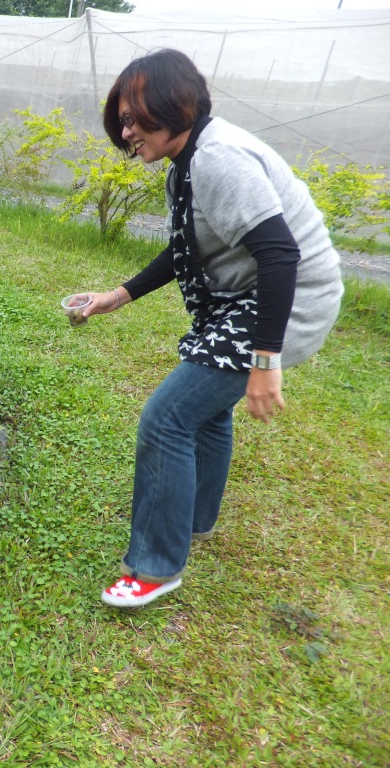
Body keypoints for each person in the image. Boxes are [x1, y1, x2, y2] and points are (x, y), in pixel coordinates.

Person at [74, 49, 343, 609]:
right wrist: (115, 297)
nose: (126, 133)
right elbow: (184, 250)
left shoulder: (218, 159)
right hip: (252, 296)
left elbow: (280, 256)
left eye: (133, 118)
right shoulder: (188, 161)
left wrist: (265, 362)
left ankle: (154, 566)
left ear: (177, 104)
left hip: (286, 300)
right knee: (205, 411)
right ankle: (194, 519)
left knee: (167, 416)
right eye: (120, 121)